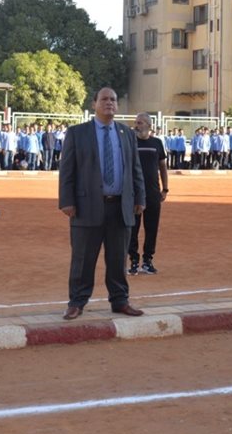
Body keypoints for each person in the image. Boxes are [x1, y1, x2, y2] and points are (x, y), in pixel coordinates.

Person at [58, 87, 146, 320]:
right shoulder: (77, 133)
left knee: (118, 259)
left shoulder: (126, 134)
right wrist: (67, 201)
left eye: (113, 99)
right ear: (94, 104)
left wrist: (140, 198)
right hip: (86, 207)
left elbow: (135, 169)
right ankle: (77, 302)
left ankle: (120, 301)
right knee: (83, 259)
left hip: (121, 207)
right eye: (104, 99)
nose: (109, 103)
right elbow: (67, 170)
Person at [128, 112, 168, 275]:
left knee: (152, 228)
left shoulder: (157, 143)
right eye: (136, 122)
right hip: (134, 193)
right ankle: (133, 261)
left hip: (152, 193)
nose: (137, 126)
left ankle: (148, 261)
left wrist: (165, 189)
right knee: (133, 228)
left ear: (149, 126)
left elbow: (163, 167)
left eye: (140, 123)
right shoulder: (130, 142)